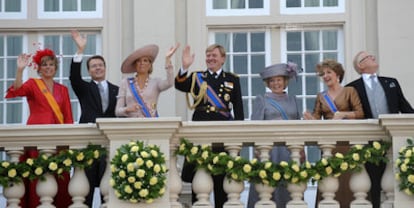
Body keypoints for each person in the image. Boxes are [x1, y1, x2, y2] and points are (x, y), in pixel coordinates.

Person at [175, 44, 244, 208]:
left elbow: (239, 110)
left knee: (221, 178)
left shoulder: (232, 79)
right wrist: (184, 67)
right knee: (198, 177)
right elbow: (180, 85)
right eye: (208, 55)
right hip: (200, 130)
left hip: (222, 132)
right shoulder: (197, 76)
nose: (210, 58)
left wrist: (238, 137)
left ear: (222, 59)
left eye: (214, 55)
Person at [5, 48, 73, 208]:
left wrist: (68, 142)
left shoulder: (63, 89)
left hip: (57, 137)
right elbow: (17, 90)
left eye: (51, 64)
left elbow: (68, 117)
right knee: (37, 175)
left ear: (55, 68)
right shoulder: (33, 84)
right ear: (38, 68)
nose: (48, 67)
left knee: (58, 176)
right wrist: (20, 70)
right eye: (44, 65)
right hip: (36, 135)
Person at [346, 51, 414, 208]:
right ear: (360, 65)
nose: (373, 58)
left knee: (397, 179)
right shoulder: (352, 88)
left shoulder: (391, 82)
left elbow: (405, 107)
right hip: (368, 141)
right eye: (368, 57)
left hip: (393, 138)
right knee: (373, 180)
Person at [303, 59, 364, 208]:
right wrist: (310, 118)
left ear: (338, 74)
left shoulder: (349, 91)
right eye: (323, 74)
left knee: (349, 177)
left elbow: (360, 113)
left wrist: (343, 114)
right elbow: (317, 118)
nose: (325, 76)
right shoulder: (321, 96)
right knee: (329, 178)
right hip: (329, 142)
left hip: (347, 141)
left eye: (328, 72)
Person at [69, 30, 119, 207]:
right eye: (93, 66)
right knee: (86, 188)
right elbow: (74, 77)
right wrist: (80, 50)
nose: (97, 68)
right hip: (88, 142)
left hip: (109, 142)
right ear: (89, 70)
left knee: (110, 188)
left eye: (100, 65)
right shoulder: (84, 88)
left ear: (105, 68)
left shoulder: (117, 90)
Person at [247, 62, 301, 208]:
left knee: (289, 184)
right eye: (272, 81)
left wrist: (301, 150)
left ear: (285, 81)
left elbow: (298, 126)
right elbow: (255, 126)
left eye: (278, 80)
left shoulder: (293, 100)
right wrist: (256, 150)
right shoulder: (262, 100)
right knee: (267, 184)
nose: (276, 83)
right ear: (268, 83)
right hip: (269, 149)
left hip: (289, 149)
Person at [115, 43, 179, 117]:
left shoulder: (156, 82)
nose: (142, 63)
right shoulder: (125, 83)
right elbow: (117, 111)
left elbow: (170, 83)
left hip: (150, 124)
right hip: (132, 125)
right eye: (138, 61)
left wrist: (168, 60)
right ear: (135, 65)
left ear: (150, 65)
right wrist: (127, 109)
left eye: (145, 60)